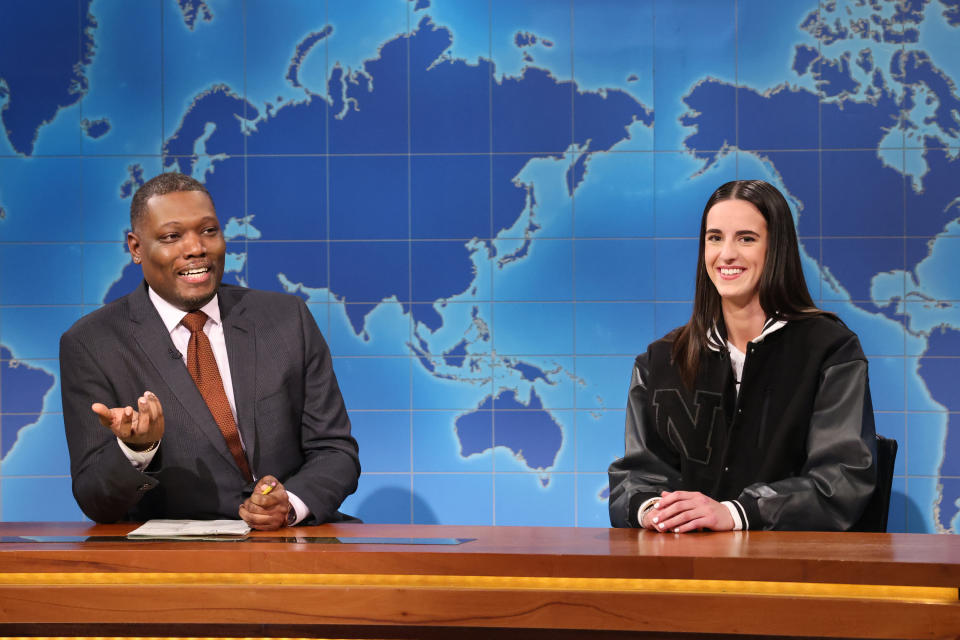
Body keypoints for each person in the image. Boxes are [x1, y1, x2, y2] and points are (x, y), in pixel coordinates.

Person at [60, 172, 360, 530]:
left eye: (208, 231)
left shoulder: (285, 319)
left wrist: (291, 504)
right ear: (136, 248)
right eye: (172, 236)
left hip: (293, 541)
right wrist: (136, 450)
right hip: (178, 562)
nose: (196, 248)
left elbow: (335, 451)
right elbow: (96, 499)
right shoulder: (93, 343)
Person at [608, 180, 876, 532]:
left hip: (792, 573)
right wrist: (657, 511)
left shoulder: (830, 350)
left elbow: (841, 480)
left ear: (776, 248)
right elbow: (635, 477)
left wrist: (734, 513)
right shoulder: (660, 361)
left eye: (746, 238)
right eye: (715, 238)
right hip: (685, 570)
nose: (727, 254)